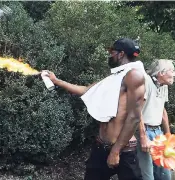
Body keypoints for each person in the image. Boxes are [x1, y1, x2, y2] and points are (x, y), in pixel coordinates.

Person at [43, 38, 144, 180]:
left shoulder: (134, 76)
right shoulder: (114, 77)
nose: (110, 55)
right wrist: (56, 80)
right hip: (101, 147)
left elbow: (134, 117)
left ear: (121, 54)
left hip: (123, 150)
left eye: (112, 52)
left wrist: (115, 151)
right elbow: (86, 90)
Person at [137, 59, 175, 180]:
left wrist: (168, 136)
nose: (174, 74)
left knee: (165, 174)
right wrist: (143, 137)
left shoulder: (163, 85)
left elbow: (162, 111)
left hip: (158, 132)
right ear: (161, 73)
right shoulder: (146, 82)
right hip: (144, 131)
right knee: (148, 175)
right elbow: (137, 111)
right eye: (172, 71)